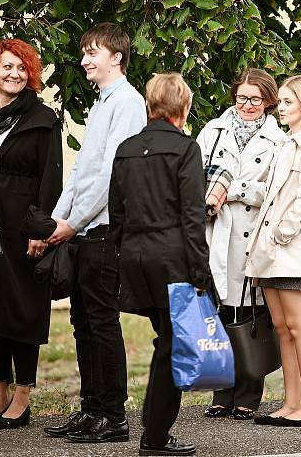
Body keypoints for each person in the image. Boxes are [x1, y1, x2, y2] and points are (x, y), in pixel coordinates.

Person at [42, 23, 146, 443]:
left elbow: (111, 177)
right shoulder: (101, 103)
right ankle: (91, 410)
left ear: (116, 57)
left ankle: (114, 417)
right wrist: (55, 221)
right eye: (85, 52)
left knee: (103, 323)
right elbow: (82, 172)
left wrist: (74, 222)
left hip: (104, 233)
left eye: (93, 52)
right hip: (83, 230)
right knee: (83, 323)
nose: (85, 60)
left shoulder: (128, 103)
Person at [110, 72, 212, 457]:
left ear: (151, 105)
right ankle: (154, 436)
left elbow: (116, 213)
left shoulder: (126, 149)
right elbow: (192, 215)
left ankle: (154, 427)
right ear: (182, 107)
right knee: (173, 346)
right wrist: (200, 272)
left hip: (135, 259)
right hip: (172, 261)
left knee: (166, 342)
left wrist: (124, 255)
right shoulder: (186, 149)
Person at [0, 39, 63, 429]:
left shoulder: (42, 119)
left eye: (22, 68)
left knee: (23, 308)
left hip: (22, 227)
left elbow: (51, 179)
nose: (14, 74)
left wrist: (42, 229)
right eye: (7, 66)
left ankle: (23, 395)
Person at [196, 68, 284, 421]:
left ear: (268, 101)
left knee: (251, 315)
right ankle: (223, 390)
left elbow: (275, 190)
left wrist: (234, 190)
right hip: (217, 230)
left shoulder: (278, 139)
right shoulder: (213, 131)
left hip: (253, 233)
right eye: (242, 97)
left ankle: (249, 391)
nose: (247, 105)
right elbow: (194, 172)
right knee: (221, 313)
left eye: (256, 99)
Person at [246, 74, 301, 428]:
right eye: (279, 101)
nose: (279, 107)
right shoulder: (284, 144)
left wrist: (279, 235)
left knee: (299, 326)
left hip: (292, 249)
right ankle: (291, 402)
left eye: (287, 102)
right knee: (282, 327)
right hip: (271, 251)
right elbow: (268, 193)